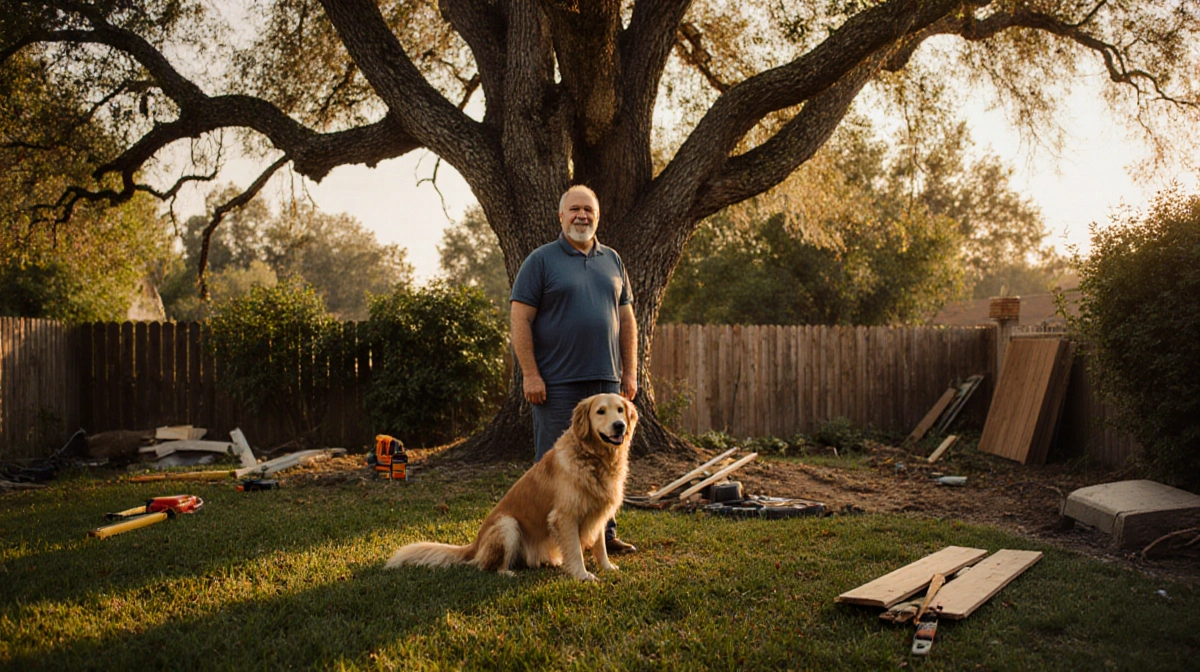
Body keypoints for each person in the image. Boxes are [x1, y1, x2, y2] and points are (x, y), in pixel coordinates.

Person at [509, 184, 639, 554]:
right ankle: (545, 543)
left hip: (606, 383)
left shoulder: (612, 260)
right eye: (575, 210)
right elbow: (520, 319)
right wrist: (530, 374)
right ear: (561, 216)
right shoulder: (541, 261)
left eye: (589, 210)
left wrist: (629, 373)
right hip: (557, 385)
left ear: (597, 216)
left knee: (609, 461)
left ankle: (604, 535)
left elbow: (627, 321)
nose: (582, 216)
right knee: (555, 470)